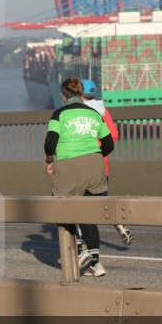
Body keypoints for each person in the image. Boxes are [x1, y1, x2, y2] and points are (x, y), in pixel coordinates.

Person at [44, 78, 115, 277]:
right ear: (81, 94)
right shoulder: (94, 113)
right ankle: (95, 264)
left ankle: (82, 248)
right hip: (95, 166)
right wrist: (94, 156)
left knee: (62, 208)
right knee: (88, 216)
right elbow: (109, 144)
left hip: (69, 166)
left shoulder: (59, 114)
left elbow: (50, 143)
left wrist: (49, 159)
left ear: (63, 95)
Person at [80, 80, 134, 247]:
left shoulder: (79, 113)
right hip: (102, 164)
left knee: (79, 206)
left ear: (80, 94)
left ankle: (85, 246)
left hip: (82, 163)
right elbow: (114, 135)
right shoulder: (103, 111)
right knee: (102, 199)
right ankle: (117, 221)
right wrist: (99, 148)